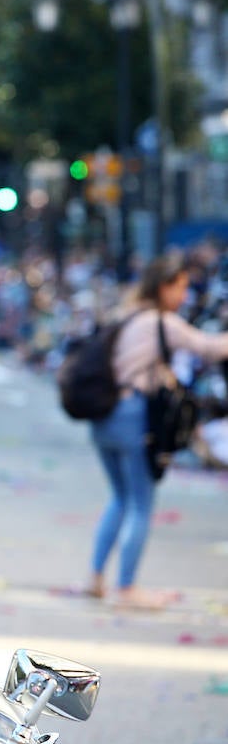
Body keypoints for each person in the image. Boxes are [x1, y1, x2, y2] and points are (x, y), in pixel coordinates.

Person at [85, 252, 228, 610]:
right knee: (140, 503)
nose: (184, 296)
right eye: (180, 288)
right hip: (133, 416)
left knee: (119, 497)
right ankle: (126, 587)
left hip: (103, 415)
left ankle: (96, 578)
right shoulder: (161, 322)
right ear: (163, 287)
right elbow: (210, 347)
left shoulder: (126, 313)